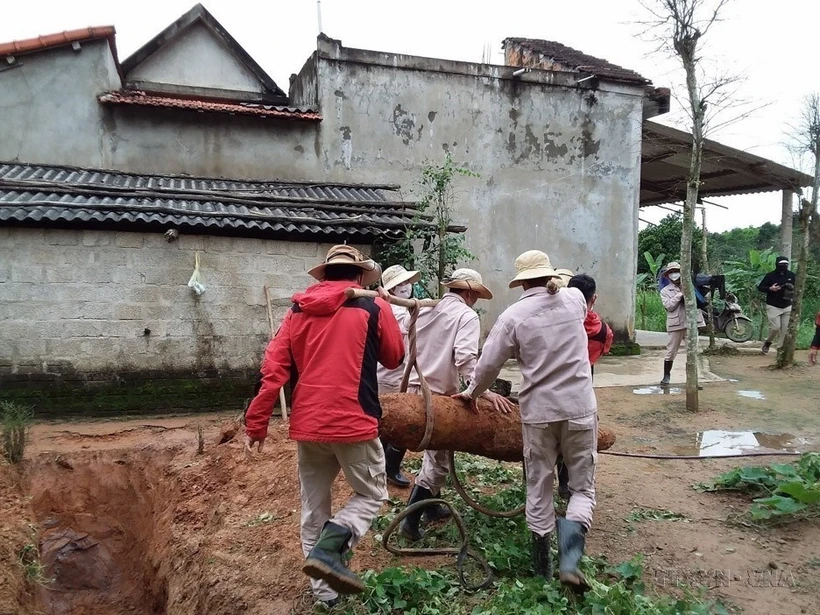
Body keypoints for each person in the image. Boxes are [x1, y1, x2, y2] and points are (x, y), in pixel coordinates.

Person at [243, 245, 404, 608]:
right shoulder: (374, 306)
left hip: (308, 424)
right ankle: (330, 551)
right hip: (354, 422)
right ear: (360, 276)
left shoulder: (297, 310)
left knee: (314, 508)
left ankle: (325, 596)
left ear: (324, 275)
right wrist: (387, 310)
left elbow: (272, 372)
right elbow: (395, 358)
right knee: (372, 494)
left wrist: (256, 426)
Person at [454, 250, 597, 590]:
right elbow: (580, 293)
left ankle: (543, 571)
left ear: (520, 281)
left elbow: (487, 367)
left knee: (539, 487)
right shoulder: (575, 300)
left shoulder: (512, 317)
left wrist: (471, 394)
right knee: (582, 489)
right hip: (579, 408)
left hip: (539, 414)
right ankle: (571, 561)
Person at [398, 268, 514, 541]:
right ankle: (409, 521)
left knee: (436, 455)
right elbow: (465, 361)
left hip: (412, 392)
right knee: (438, 463)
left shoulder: (426, 308)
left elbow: (407, 341)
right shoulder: (466, 316)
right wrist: (481, 391)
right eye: (476, 295)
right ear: (471, 292)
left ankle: (432, 508)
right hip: (436, 398)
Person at [555, 273, 613, 499]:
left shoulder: (559, 322)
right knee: (578, 429)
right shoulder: (604, 331)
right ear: (594, 298)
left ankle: (554, 482)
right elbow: (603, 350)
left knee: (554, 428)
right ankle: (569, 483)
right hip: (585, 375)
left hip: (557, 374)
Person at [377, 264, 422, 488]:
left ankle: (384, 467)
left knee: (388, 422)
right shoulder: (393, 311)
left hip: (396, 375)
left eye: (407, 283)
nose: (406, 287)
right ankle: (389, 468)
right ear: (392, 289)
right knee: (399, 423)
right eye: (400, 284)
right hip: (389, 377)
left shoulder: (402, 309)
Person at [660, 262, 704, 386]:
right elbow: (669, 306)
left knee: (693, 351)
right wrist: (680, 295)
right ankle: (666, 376)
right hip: (676, 324)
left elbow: (701, 301)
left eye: (676, 271)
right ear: (668, 275)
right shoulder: (665, 291)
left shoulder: (691, 286)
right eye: (671, 272)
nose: (674, 274)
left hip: (691, 323)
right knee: (671, 351)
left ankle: (692, 379)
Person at [757, 256, 796, 354]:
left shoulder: (792, 275)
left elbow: (798, 288)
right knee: (775, 327)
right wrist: (770, 289)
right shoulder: (770, 276)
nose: (784, 266)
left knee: (784, 329)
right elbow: (760, 287)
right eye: (781, 264)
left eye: (786, 264)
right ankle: (768, 342)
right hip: (773, 305)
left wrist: (792, 288)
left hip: (787, 305)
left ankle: (780, 350)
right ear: (777, 264)